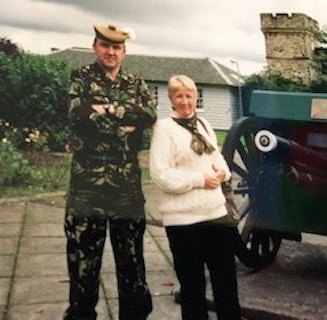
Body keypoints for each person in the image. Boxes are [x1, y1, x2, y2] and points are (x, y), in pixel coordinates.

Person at [63, 24, 157, 320]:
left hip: (125, 188)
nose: (111, 52)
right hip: (87, 185)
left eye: (116, 47)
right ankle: (81, 315)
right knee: (83, 261)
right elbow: (78, 114)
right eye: (105, 46)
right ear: (95, 47)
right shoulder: (80, 78)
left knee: (131, 260)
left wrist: (106, 111)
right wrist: (123, 121)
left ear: (124, 52)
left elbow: (149, 114)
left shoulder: (136, 83)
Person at [149, 75, 241, 320]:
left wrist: (223, 172)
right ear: (170, 99)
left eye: (189, 95)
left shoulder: (204, 125)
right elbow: (160, 174)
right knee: (193, 287)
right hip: (184, 222)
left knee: (226, 283)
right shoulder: (164, 129)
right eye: (179, 95)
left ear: (195, 97)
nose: (185, 101)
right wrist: (199, 180)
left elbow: (218, 159)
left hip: (216, 214)